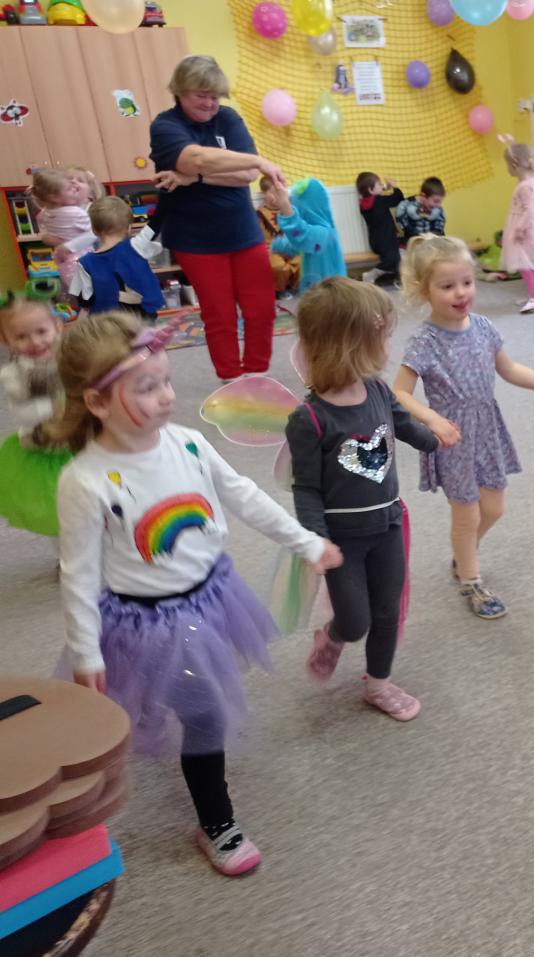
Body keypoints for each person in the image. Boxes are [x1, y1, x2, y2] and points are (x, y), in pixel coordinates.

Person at [51, 312, 342, 876]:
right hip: (146, 623)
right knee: (203, 711)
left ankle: (182, 736)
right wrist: (86, 653)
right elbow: (78, 575)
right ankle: (217, 822)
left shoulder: (187, 444)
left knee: (198, 693)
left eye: (166, 381)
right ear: (97, 403)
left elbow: (244, 495)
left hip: (212, 598)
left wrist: (305, 541)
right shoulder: (85, 480)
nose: (167, 395)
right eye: (147, 387)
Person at [285, 278, 438, 721]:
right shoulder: (310, 419)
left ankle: (379, 685)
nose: (390, 345)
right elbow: (306, 488)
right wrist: (316, 539)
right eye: (384, 336)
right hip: (342, 542)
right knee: (355, 622)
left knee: (387, 612)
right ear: (353, 344)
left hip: (387, 526)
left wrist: (435, 438)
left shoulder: (378, 390)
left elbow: (402, 426)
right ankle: (332, 635)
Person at [392, 235, 534, 620]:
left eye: (467, 282)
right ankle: (471, 579)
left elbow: (509, 369)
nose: (460, 292)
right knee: (466, 514)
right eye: (447, 286)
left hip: (486, 427)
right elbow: (399, 393)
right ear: (424, 290)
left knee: (494, 507)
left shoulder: (483, 327)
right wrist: (432, 419)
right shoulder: (424, 341)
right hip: (451, 436)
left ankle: (463, 551)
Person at [149, 54, 288, 381]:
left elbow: (247, 174)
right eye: (202, 95)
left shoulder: (228, 118)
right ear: (180, 91)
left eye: (215, 96)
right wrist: (252, 161)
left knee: (261, 309)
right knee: (220, 314)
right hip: (195, 239)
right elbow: (194, 158)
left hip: (242, 232)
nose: (210, 104)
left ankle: (256, 374)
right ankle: (230, 378)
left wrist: (194, 178)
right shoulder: (166, 126)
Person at [0, 294, 71, 538]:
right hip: (46, 447)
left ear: (57, 327)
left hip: (82, 440)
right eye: (21, 337)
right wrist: (55, 406)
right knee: (57, 509)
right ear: (5, 339)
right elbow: (24, 414)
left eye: (41, 331)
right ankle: (66, 550)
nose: (34, 342)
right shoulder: (13, 374)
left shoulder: (70, 358)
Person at [77, 197, 165, 320]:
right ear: (129, 228)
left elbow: (85, 301)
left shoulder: (84, 263)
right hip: (142, 317)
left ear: (94, 230)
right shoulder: (136, 246)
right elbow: (155, 224)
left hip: (108, 322)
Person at [498, 137, 534, 313]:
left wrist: (519, 229)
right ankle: (533, 294)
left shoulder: (525, 186)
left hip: (527, 229)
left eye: (507, 165)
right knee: (525, 263)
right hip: (530, 227)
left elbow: (530, 211)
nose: (507, 168)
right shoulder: (530, 182)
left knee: (524, 263)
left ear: (514, 164)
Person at [263, 177, 345, 294]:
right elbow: (296, 246)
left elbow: (300, 234)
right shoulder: (316, 234)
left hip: (329, 295)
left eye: (297, 206)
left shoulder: (324, 233)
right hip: (317, 291)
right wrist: (275, 246)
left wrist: (285, 205)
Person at [30, 167, 95, 293]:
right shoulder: (75, 212)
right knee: (86, 294)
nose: (74, 187)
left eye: (80, 181)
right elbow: (96, 231)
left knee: (76, 292)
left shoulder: (44, 213)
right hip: (80, 259)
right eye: (70, 188)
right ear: (55, 197)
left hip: (63, 260)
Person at [356, 171, 404, 284]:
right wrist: (394, 187)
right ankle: (372, 274)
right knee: (394, 259)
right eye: (379, 184)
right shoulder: (379, 201)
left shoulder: (363, 204)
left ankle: (396, 277)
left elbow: (375, 198)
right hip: (386, 240)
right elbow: (398, 198)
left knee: (396, 258)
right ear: (371, 190)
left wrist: (383, 188)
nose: (382, 186)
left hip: (375, 242)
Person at [256, 176, 300, 296]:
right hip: (271, 250)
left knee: (301, 261)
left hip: (290, 248)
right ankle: (279, 289)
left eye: (280, 193)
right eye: (273, 193)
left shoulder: (289, 211)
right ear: (263, 194)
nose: (277, 197)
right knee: (278, 266)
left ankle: (294, 286)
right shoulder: (259, 214)